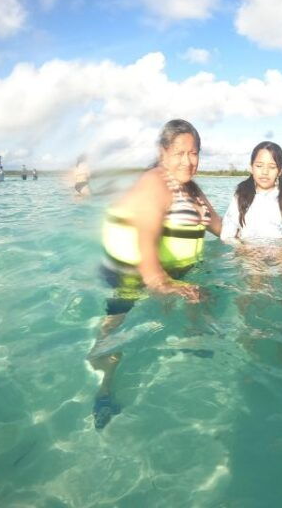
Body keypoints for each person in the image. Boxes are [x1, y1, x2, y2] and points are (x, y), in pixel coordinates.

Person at [89, 119, 222, 429]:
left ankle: (194, 349)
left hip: (176, 270)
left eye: (194, 153)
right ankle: (104, 390)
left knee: (204, 295)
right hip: (131, 277)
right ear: (162, 153)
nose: (187, 161)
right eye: (179, 153)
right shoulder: (154, 184)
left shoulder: (192, 190)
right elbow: (148, 263)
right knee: (113, 334)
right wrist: (175, 288)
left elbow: (224, 229)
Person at [220, 141, 282, 254]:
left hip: (279, 254)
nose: (265, 172)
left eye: (272, 167)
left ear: (280, 170)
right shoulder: (241, 197)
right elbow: (226, 235)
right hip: (249, 255)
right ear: (251, 167)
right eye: (259, 166)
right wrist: (243, 248)